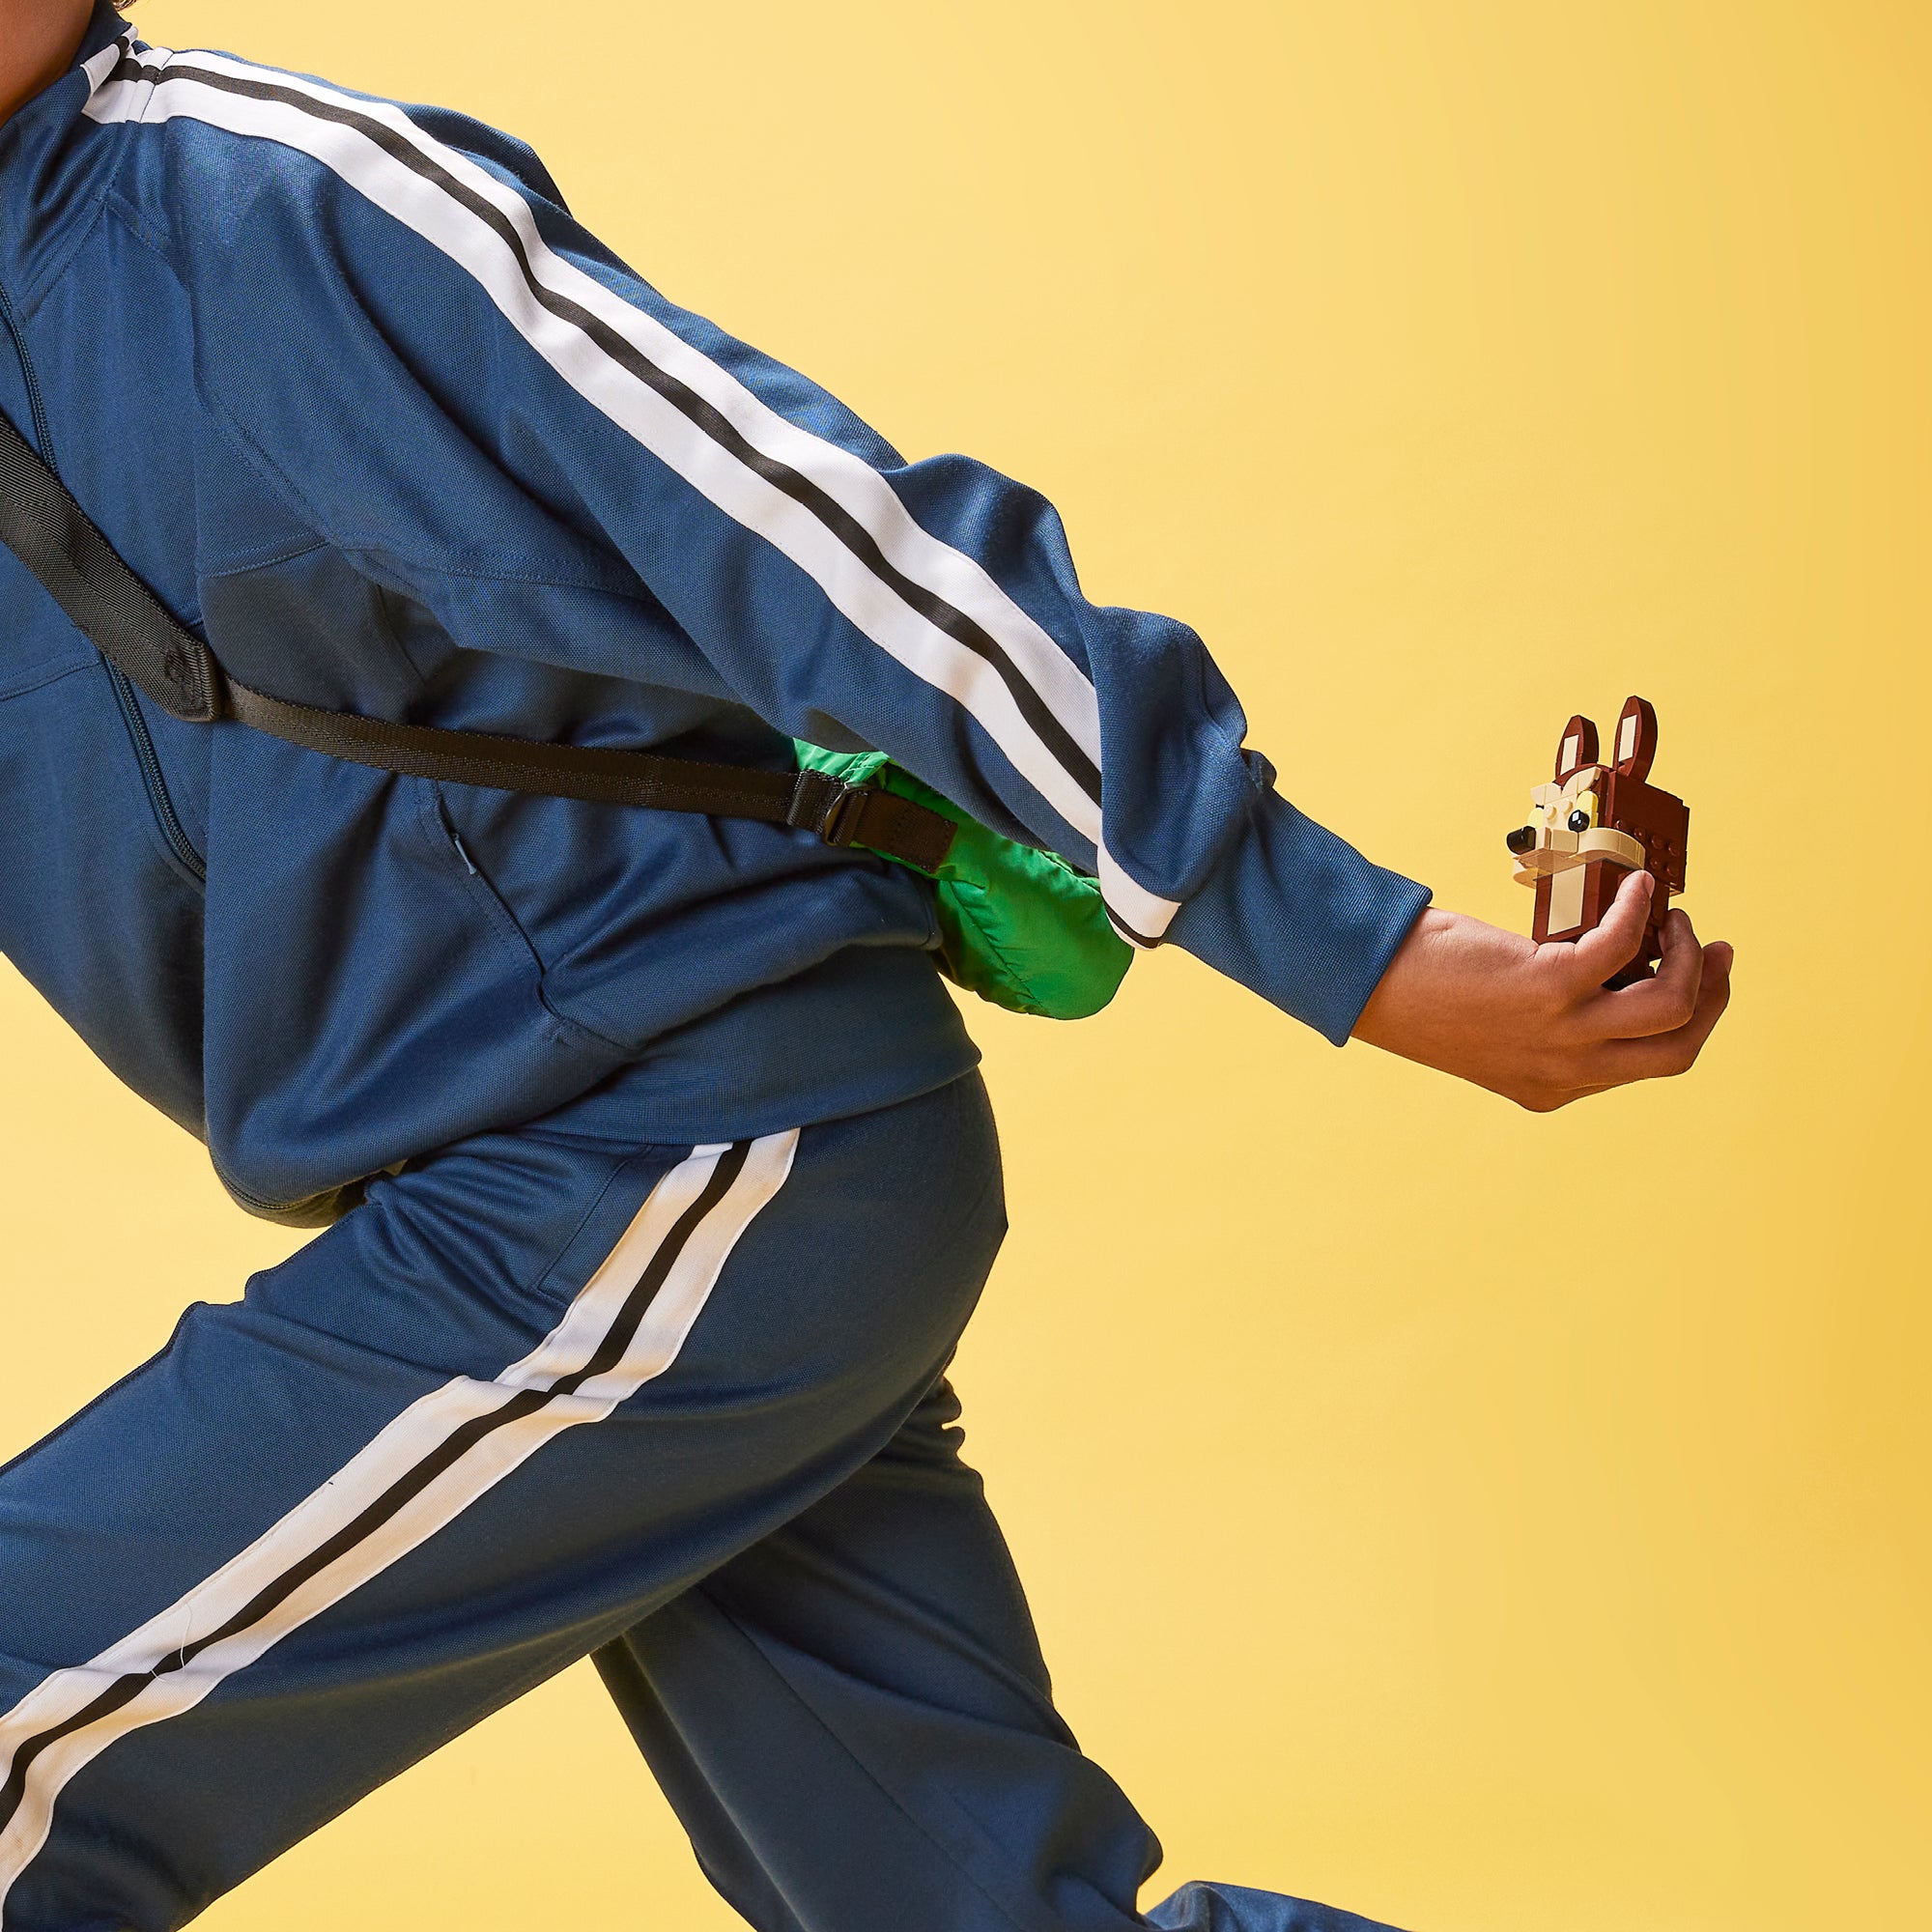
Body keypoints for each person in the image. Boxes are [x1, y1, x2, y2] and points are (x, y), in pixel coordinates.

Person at [0, 4, 1733, 1928]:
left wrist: (1357, 946)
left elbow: (830, 544)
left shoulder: (270, 206)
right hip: (514, 1199)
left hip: (687, 1137)